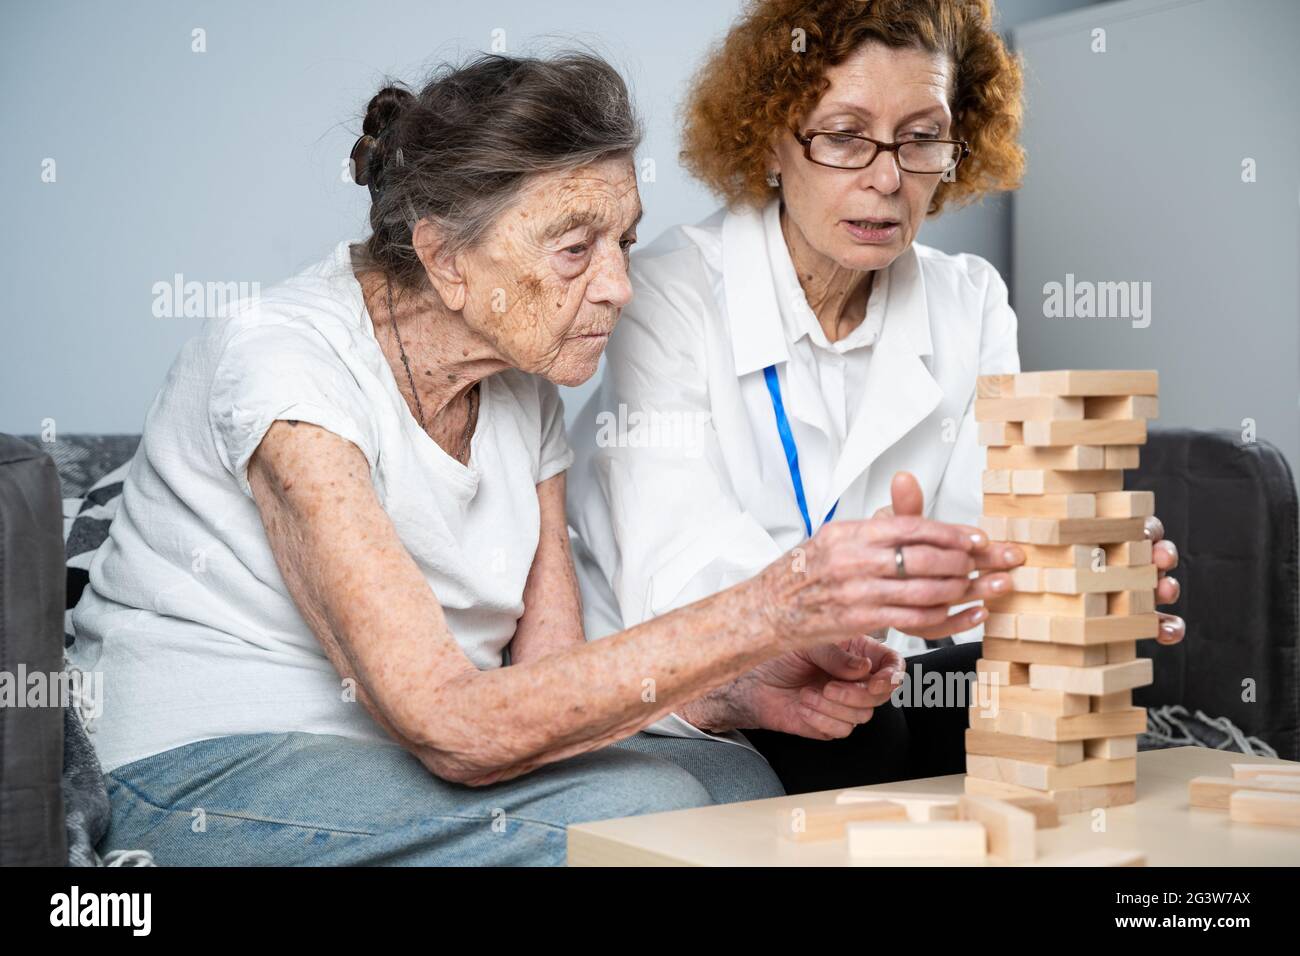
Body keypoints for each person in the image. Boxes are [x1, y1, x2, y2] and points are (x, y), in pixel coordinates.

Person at [72, 51, 1019, 866]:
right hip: (205, 767)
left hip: (402, 758)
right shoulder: (280, 362)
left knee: (743, 781)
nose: (619, 283)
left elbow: (554, 679)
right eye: (576, 249)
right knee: (651, 813)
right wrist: (774, 604)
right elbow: (455, 726)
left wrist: (738, 691)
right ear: (445, 256)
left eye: (626, 240)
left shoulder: (523, 383)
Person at [567, 0, 1185, 795]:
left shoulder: (970, 301)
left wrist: (1082, 567)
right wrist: (858, 599)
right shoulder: (667, 293)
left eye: (921, 138)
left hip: (884, 677)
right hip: (708, 690)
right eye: (846, 135)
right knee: (859, 735)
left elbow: (990, 545)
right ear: (772, 143)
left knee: (1097, 717)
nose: (888, 177)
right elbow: (679, 575)